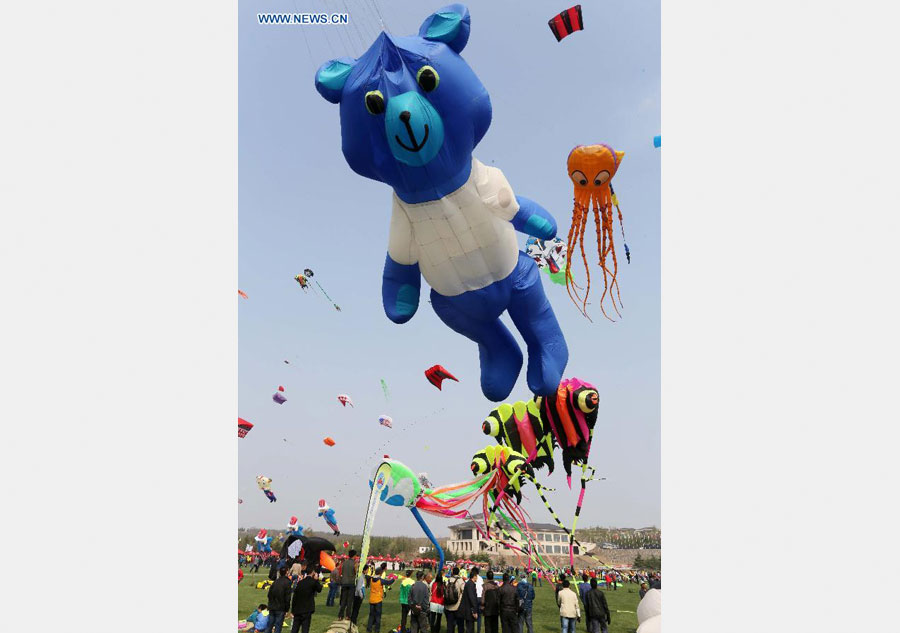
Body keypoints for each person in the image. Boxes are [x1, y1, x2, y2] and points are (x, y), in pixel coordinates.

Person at [290, 567, 323, 633]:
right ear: (313, 572)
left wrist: (293, 610)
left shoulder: (300, 582)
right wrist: (316, 580)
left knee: (295, 628)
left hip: (297, 609)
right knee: (305, 629)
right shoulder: (313, 582)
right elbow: (319, 589)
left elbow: (295, 596)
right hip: (307, 609)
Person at [366, 562, 396, 633]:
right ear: (380, 573)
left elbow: (367, 576)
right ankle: (377, 630)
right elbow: (389, 582)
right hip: (378, 600)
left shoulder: (371, 579)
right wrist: (394, 578)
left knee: (371, 616)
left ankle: (368, 630)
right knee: (378, 617)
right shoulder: (380, 580)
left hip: (372, 599)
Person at [266, 566, 293, 633]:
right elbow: (287, 597)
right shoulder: (288, 582)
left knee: (269, 625)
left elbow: (269, 595)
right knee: (278, 626)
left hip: (272, 606)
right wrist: (287, 609)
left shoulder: (275, 581)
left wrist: (271, 603)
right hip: (280, 608)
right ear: (287, 572)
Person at [338, 550, 359, 620]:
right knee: (349, 601)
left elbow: (341, 571)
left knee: (343, 600)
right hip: (351, 583)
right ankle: (347, 616)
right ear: (354, 555)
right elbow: (356, 573)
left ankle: (340, 616)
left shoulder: (344, 563)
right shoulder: (354, 563)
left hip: (344, 583)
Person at [443, 567, 465, 633]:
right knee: (460, 625)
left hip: (448, 605)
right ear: (458, 572)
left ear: (452, 572)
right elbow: (464, 591)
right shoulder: (460, 581)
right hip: (458, 606)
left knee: (450, 625)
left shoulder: (448, 580)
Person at [460, 567, 480, 633]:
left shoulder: (469, 583)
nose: (477, 577)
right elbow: (472, 598)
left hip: (468, 609)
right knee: (470, 628)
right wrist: (474, 611)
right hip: (469, 611)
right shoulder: (470, 585)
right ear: (474, 576)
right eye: (476, 576)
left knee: (470, 628)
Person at [399, 568, 416, 633]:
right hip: (410, 601)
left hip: (403, 601)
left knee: (403, 616)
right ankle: (412, 629)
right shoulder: (412, 582)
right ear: (411, 574)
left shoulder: (403, 581)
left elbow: (401, 590)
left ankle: (403, 629)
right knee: (412, 617)